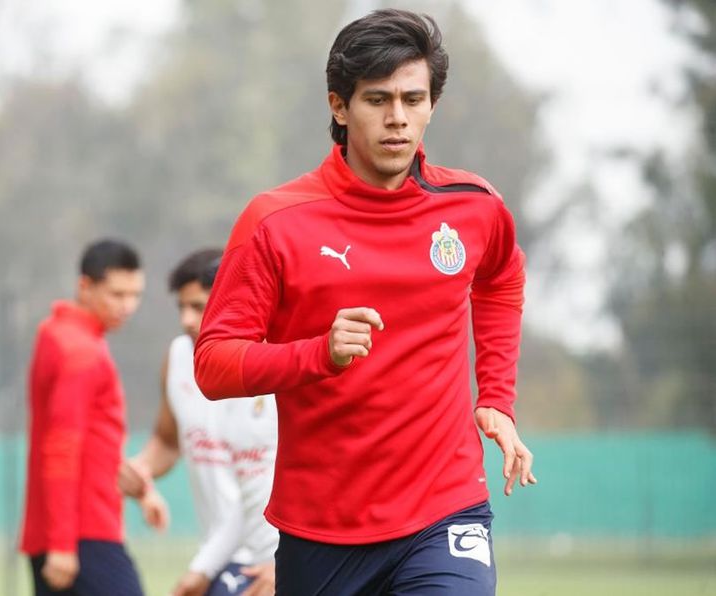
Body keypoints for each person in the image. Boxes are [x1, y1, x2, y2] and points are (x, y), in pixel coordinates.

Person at [194, 9, 537, 595]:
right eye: (377, 100)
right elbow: (213, 364)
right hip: (322, 528)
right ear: (339, 106)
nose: (397, 117)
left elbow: (502, 279)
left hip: (445, 508)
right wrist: (317, 354)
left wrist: (497, 397)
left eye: (413, 99)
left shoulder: (474, 206)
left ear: (432, 105)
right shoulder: (275, 222)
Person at [129, 249, 278, 596]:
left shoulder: (271, 362)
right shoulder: (179, 356)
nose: (186, 320)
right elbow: (168, 441)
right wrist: (139, 471)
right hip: (220, 556)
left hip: (271, 560)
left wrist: (285, 560)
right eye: (181, 307)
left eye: (198, 307)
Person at [19, 238, 165, 596]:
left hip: (61, 530)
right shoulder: (80, 352)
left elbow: (91, 440)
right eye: (117, 294)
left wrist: (141, 490)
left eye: (135, 295)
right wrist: (62, 545)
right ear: (85, 286)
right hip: (82, 535)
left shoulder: (57, 334)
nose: (127, 306)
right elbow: (62, 447)